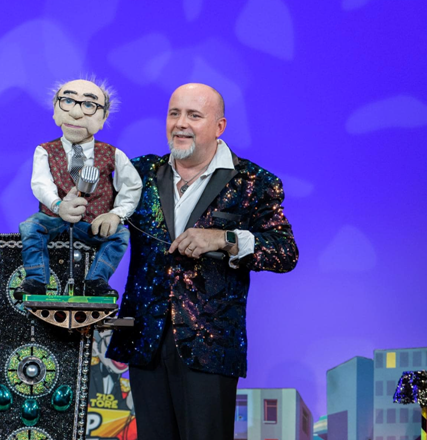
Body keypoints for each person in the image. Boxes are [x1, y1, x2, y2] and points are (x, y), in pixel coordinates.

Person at [106, 83, 298, 439]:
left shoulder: (253, 182)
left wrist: (224, 240)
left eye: (194, 115)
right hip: (144, 340)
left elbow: (285, 251)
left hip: (210, 345)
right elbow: (98, 215)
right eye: (174, 113)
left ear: (219, 126)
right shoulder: (139, 173)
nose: (180, 123)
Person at [15, 79, 142, 299]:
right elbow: (41, 183)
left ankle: (96, 280)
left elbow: (131, 186)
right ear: (55, 110)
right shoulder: (45, 151)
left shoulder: (112, 154)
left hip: (92, 223)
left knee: (120, 235)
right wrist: (58, 205)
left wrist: (116, 214)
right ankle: (36, 279)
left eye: (89, 105)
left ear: (103, 117)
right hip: (54, 219)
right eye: (67, 101)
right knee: (30, 227)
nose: (76, 113)